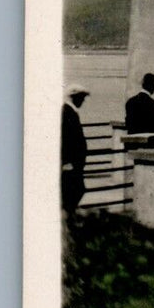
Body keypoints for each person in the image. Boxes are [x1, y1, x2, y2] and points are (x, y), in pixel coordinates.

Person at [61, 84, 90, 216]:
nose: (83, 101)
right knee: (74, 192)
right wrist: (66, 162)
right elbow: (65, 139)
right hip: (70, 164)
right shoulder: (67, 112)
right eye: (81, 98)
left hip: (74, 164)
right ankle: (67, 221)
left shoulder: (70, 112)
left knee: (76, 191)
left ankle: (68, 219)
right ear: (74, 97)